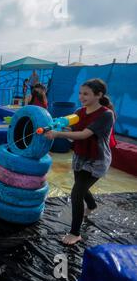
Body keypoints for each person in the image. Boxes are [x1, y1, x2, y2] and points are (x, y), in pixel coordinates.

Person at [44, 79, 115, 245]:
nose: (81, 97)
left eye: (86, 94)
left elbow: (84, 134)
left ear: (99, 95)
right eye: (80, 93)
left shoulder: (106, 114)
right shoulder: (79, 112)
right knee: (81, 187)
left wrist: (58, 134)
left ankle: (75, 233)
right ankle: (92, 206)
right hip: (80, 156)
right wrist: (58, 126)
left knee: (76, 192)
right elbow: (73, 130)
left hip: (96, 160)